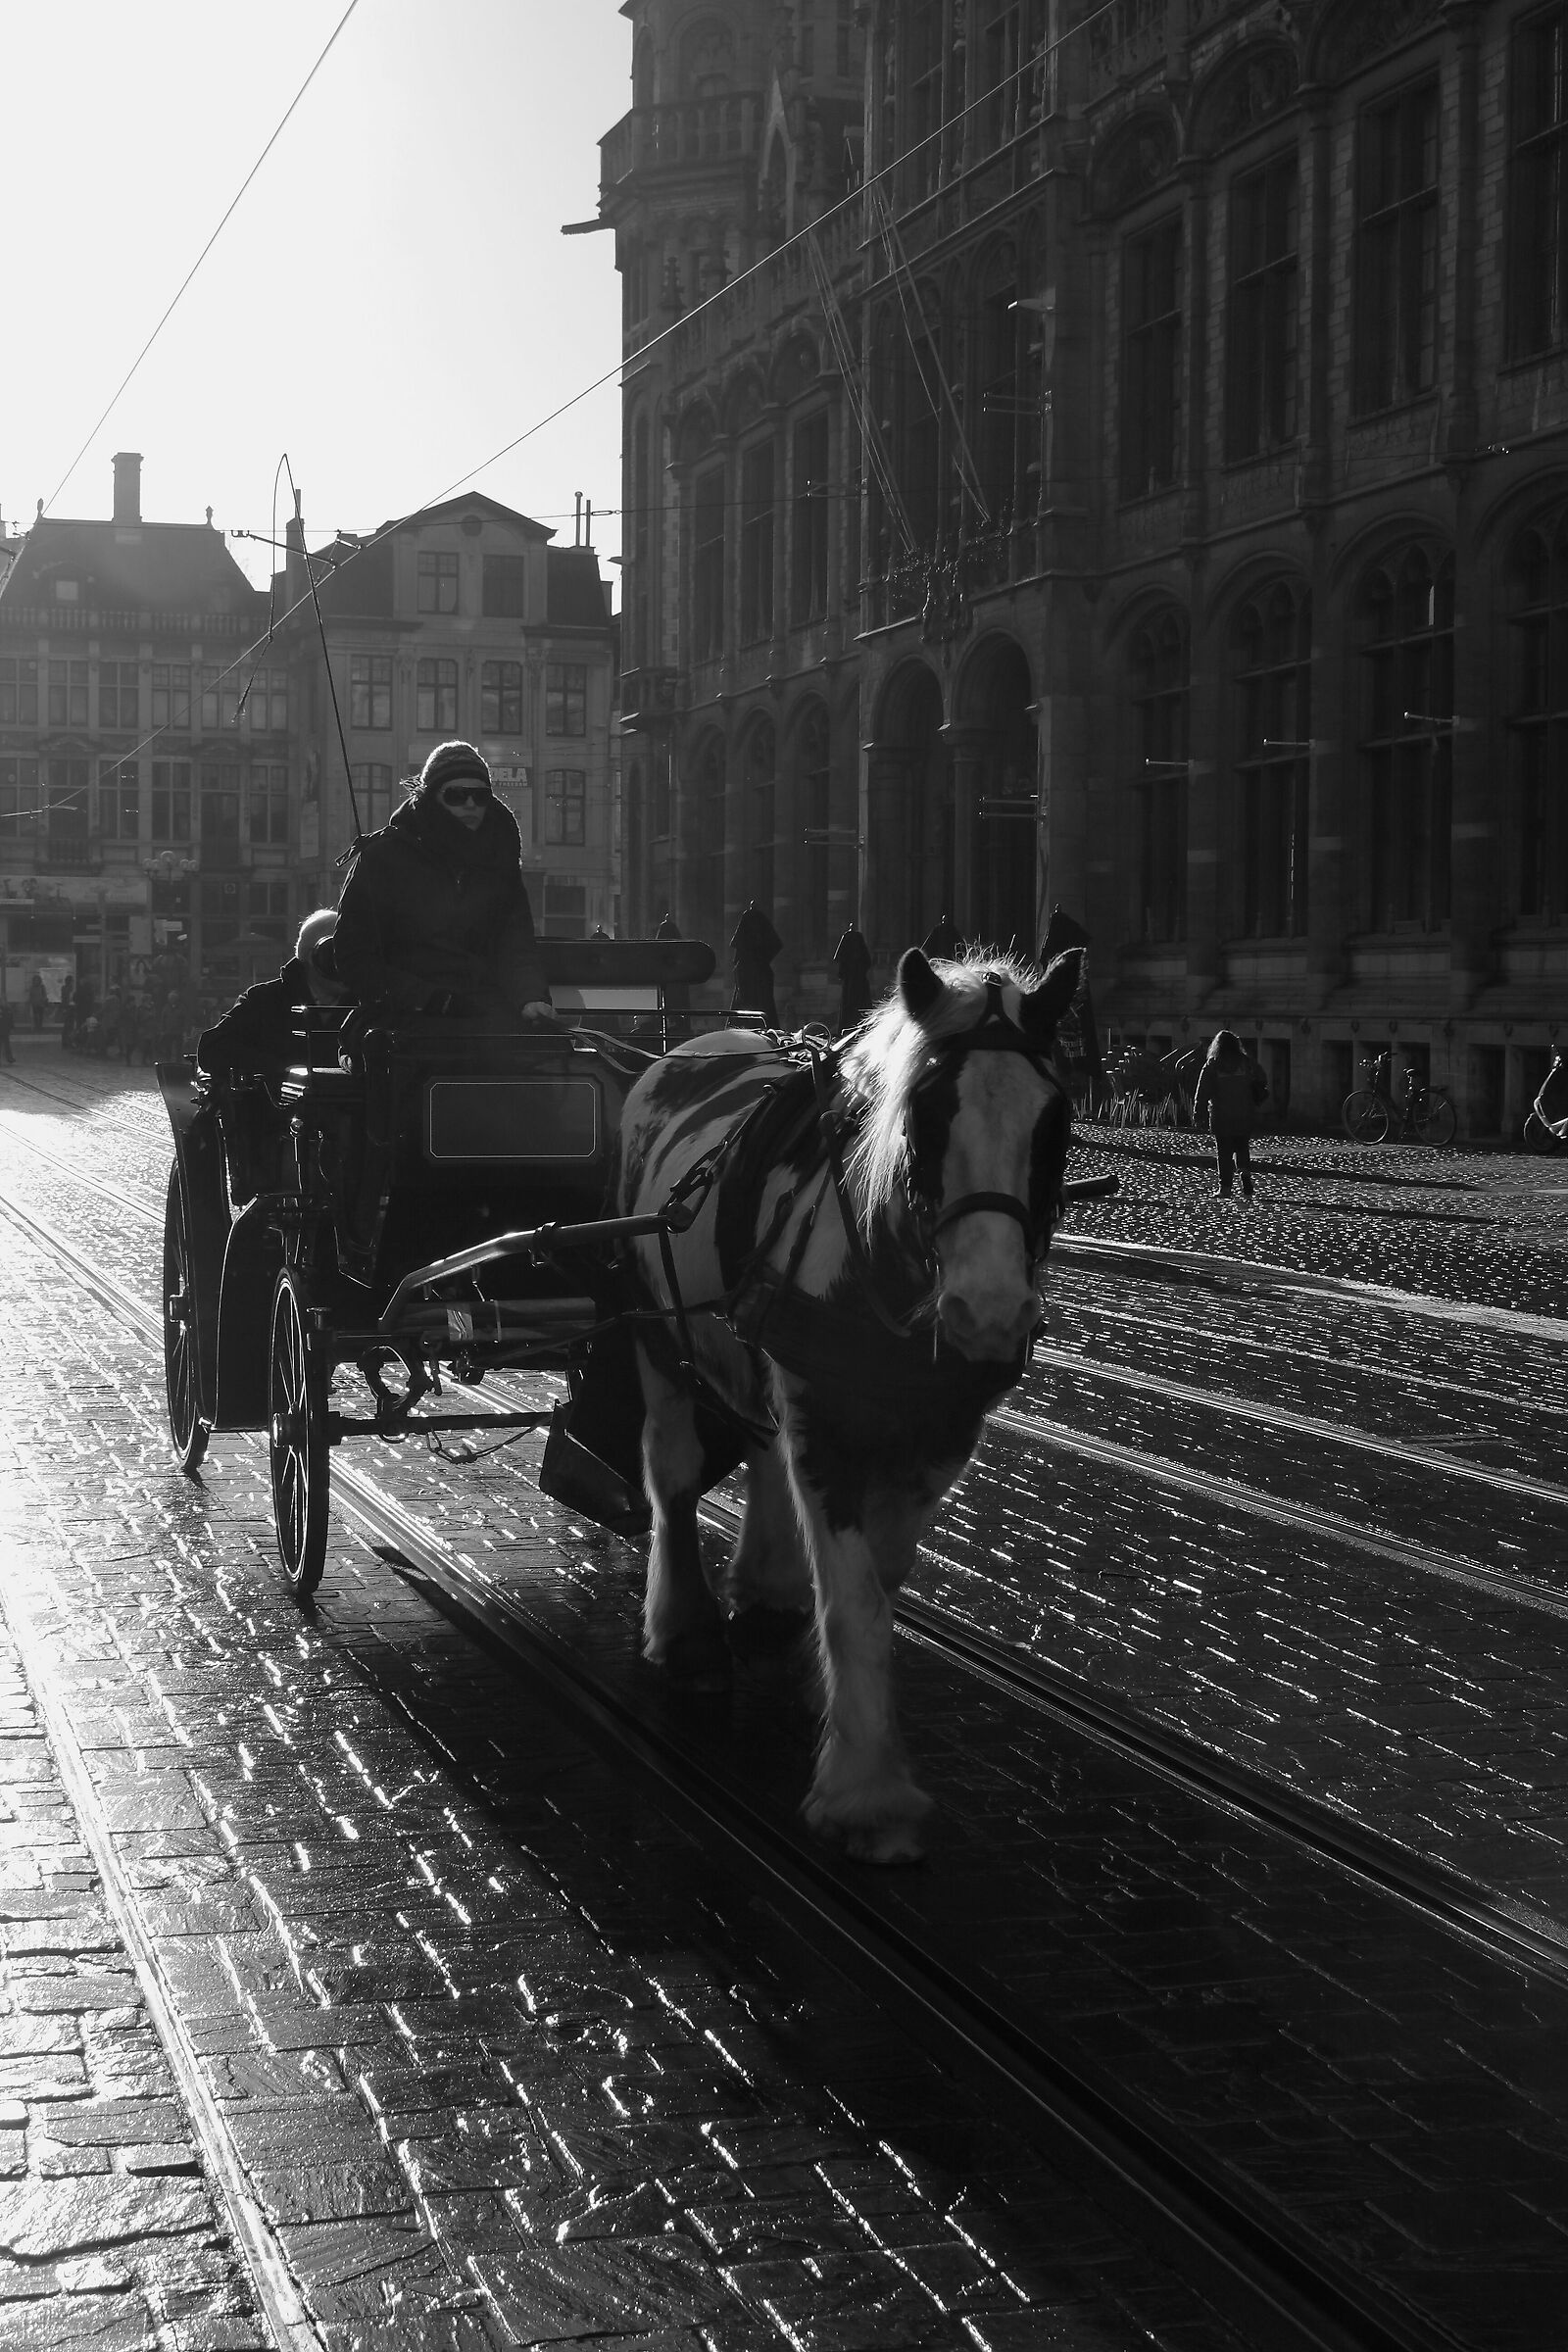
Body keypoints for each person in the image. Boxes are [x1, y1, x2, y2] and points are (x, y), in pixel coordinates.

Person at [332, 744, 551, 1025]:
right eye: (456, 795)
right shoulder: (382, 859)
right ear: (431, 797)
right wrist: (429, 1000)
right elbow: (355, 957)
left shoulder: (500, 860)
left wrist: (531, 998)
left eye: (480, 795)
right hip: (404, 1018)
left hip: (486, 1018)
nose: (470, 804)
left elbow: (516, 943)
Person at [196, 910, 348, 1090]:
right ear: (311, 955)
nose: (349, 964)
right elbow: (212, 1049)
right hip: (277, 1113)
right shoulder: (264, 1000)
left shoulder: (367, 1003)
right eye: (337, 953)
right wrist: (280, 1069)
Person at [1192, 1029, 1269, 1200]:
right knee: (1242, 1146)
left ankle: (1225, 1187)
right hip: (1245, 1112)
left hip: (1221, 1115)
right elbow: (1262, 1078)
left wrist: (1199, 1113)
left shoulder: (1213, 1064)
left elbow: (1202, 1091)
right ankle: (1245, 1173)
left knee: (1224, 1152)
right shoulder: (1246, 1063)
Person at [59, 973, 74, 1049]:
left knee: (67, 1026)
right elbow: (66, 999)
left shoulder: (64, 988)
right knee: (69, 1026)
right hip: (69, 1008)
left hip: (67, 1008)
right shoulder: (69, 989)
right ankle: (67, 1041)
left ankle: (66, 1041)